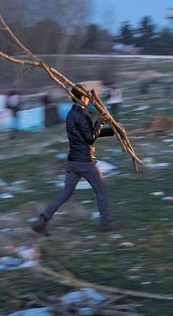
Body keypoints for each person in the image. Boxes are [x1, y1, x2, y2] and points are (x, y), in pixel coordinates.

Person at [31, 85, 116, 236]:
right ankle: (106, 224)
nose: (87, 100)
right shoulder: (81, 115)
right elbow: (90, 138)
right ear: (82, 98)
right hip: (85, 161)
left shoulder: (72, 114)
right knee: (101, 190)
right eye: (86, 97)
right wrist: (100, 121)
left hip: (73, 162)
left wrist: (112, 131)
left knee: (65, 192)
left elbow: (88, 135)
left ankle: (42, 221)